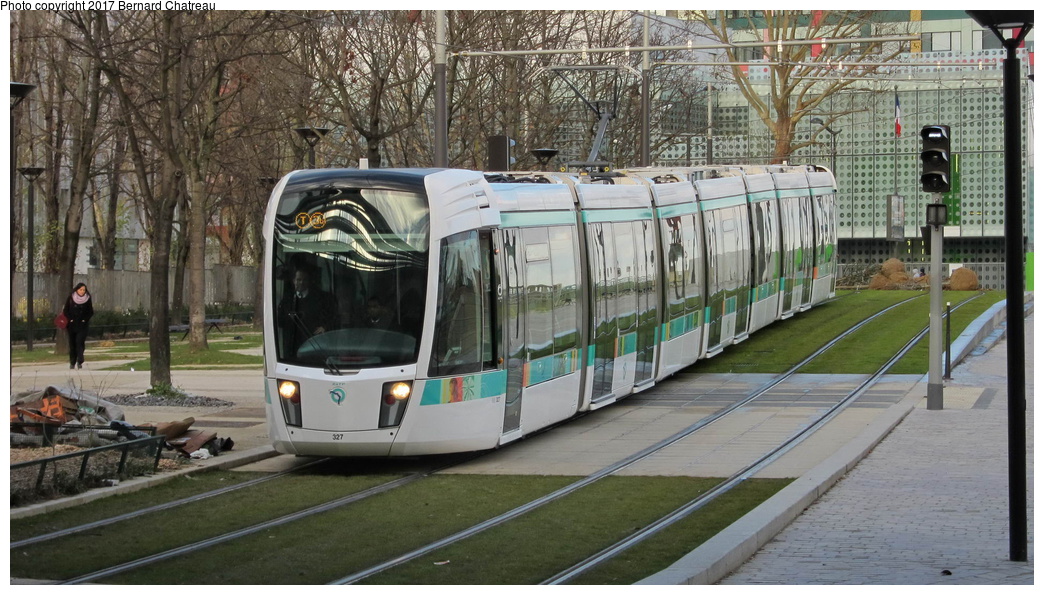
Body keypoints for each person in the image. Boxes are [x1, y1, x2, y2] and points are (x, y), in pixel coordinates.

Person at [277, 268, 339, 355]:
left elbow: (333, 317)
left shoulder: (320, 299)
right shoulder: (287, 300)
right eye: (299, 280)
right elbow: (280, 321)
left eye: (304, 280)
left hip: (314, 344)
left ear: (309, 281)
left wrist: (325, 327)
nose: (301, 282)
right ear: (294, 281)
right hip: (292, 345)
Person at [63, 282, 94, 369]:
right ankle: (72, 362)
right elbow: (66, 310)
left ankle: (80, 360)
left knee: (79, 342)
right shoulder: (71, 298)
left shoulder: (87, 298)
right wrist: (70, 319)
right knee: (72, 344)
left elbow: (91, 311)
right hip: (72, 325)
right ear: (77, 290)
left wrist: (85, 319)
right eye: (80, 290)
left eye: (84, 290)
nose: (82, 291)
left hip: (82, 325)